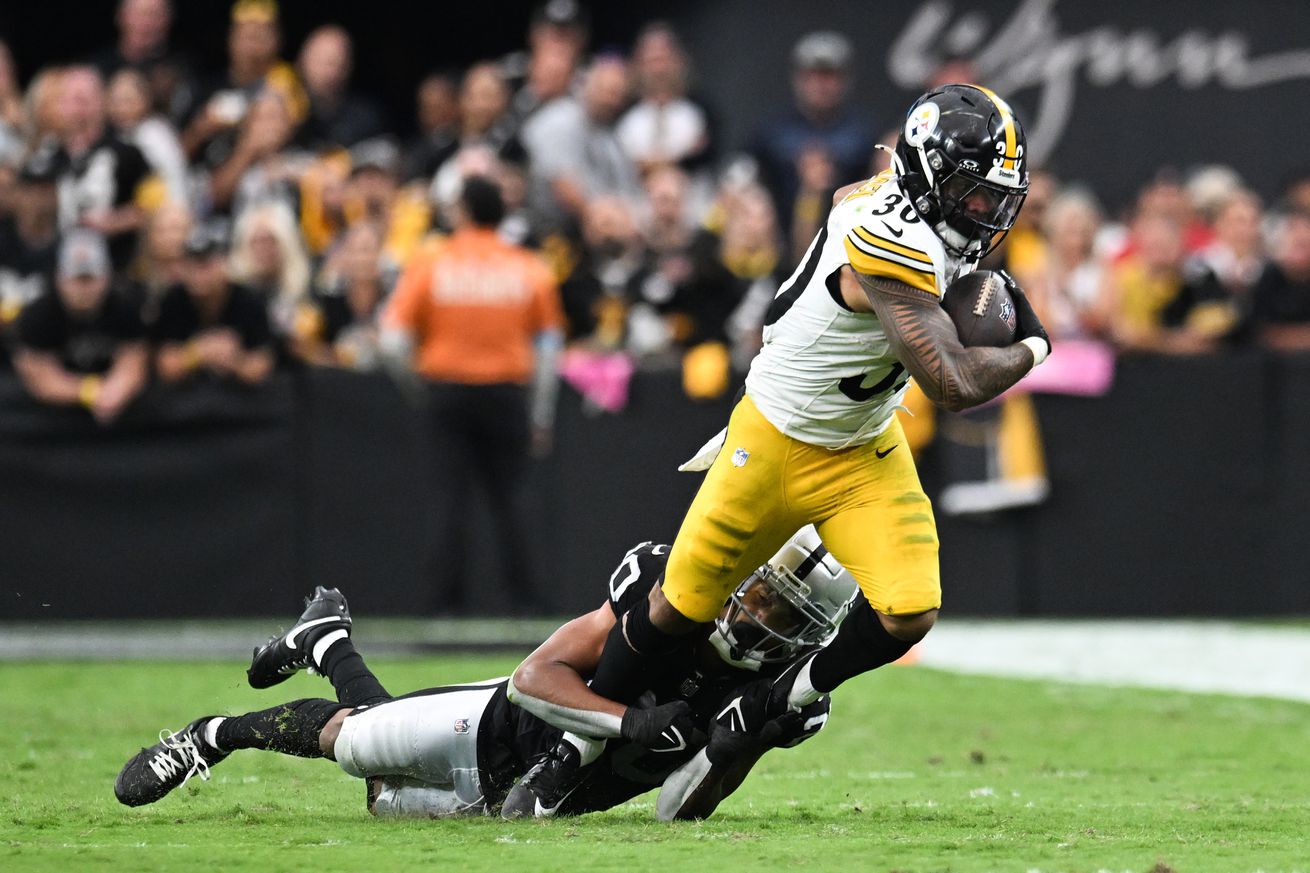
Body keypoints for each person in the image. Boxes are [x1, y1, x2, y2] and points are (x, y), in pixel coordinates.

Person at [507, 84, 1051, 813]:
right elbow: (949, 379)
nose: (985, 214)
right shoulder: (887, 237)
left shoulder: (910, 207)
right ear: (927, 177)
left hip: (860, 445)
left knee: (910, 607)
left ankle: (772, 700)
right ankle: (574, 746)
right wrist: (1036, 343)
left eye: (995, 198)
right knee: (677, 608)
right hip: (774, 437)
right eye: (971, 194)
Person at [113, 527, 854, 820]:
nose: (760, 619)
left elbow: (677, 812)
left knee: (380, 795)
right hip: (499, 725)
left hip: (543, 801)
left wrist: (740, 745)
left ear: (811, 634)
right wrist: (626, 720)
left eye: (785, 617)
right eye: (759, 594)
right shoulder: (669, 595)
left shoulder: (781, 686)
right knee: (350, 744)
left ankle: (327, 639)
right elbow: (536, 677)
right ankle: (212, 735)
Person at [381, 175, 563, 613]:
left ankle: (444, 606)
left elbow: (391, 341)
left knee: (447, 500)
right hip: (506, 393)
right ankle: (526, 604)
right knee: (514, 500)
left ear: (462, 211)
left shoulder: (431, 263)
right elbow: (549, 347)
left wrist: (418, 389)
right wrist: (540, 414)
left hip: (446, 390)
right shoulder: (527, 267)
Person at [12, 229, 148, 423]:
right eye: (76, 279)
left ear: (107, 276)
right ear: (59, 277)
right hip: (52, 421)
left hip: (119, 416)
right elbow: (39, 376)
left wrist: (116, 390)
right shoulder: (38, 313)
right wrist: (89, 391)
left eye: (90, 278)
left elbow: (135, 359)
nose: (83, 289)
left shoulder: (126, 303)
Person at [152, 220, 275, 385]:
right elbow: (165, 366)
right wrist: (199, 352)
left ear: (224, 263)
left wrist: (233, 361)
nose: (197, 272)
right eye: (191, 262)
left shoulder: (249, 299)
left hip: (239, 398)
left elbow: (262, 365)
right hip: (188, 398)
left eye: (205, 263)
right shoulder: (174, 298)